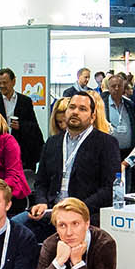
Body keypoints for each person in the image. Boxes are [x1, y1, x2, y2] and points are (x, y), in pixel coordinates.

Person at [24, 93, 121, 237]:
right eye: (72, 107)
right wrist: (42, 202)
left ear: (93, 116)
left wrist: (77, 209)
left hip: (85, 214)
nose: (75, 112)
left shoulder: (106, 143)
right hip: (51, 212)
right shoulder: (52, 142)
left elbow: (109, 188)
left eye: (82, 109)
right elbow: (41, 182)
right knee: (18, 229)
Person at [0, 67, 44, 171]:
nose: (2, 86)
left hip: (22, 152)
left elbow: (34, 126)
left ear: (13, 81)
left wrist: (21, 126)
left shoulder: (25, 101)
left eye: (5, 83)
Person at [102, 73, 135, 154]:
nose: (117, 88)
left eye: (119, 86)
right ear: (109, 88)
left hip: (128, 151)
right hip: (109, 152)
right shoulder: (102, 105)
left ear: (123, 87)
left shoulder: (130, 104)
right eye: (113, 86)